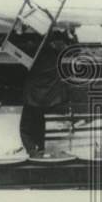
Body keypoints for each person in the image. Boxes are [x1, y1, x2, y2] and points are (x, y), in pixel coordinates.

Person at [19, 23, 77, 155]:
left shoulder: (32, 48)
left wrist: (20, 32)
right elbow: (75, 51)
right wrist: (70, 35)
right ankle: (40, 147)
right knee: (38, 117)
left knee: (25, 126)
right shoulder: (57, 48)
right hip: (51, 98)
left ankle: (33, 149)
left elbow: (14, 48)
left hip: (34, 98)